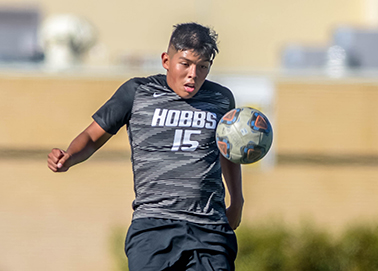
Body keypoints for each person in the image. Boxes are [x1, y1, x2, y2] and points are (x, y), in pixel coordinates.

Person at [47, 22, 244, 271]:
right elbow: (92, 136)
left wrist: (237, 201)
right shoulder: (137, 92)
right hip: (153, 228)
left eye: (202, 66)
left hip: (210, 229)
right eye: (185, 64)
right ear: (166, 60)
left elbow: (230, 151)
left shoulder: (221, 99)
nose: (193, 74)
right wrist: (69, 155)